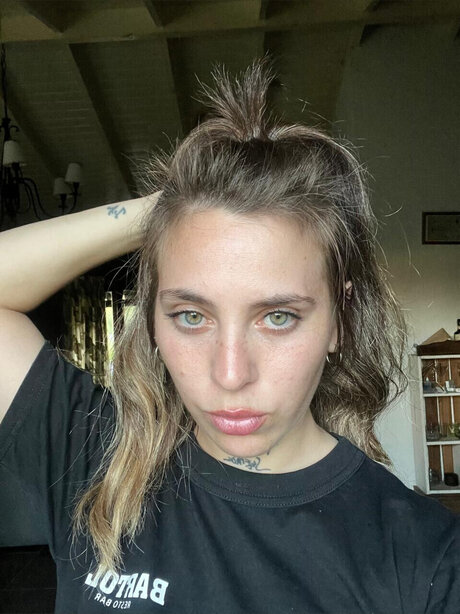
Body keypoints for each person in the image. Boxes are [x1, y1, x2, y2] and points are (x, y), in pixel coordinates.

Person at [0, 58, 458, 614]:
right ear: (152, 321)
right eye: (192, 316)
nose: (231, 374)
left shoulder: (426, 559)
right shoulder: (93, 465)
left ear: (339, 319)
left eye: (278, 317)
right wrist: (169, 211)